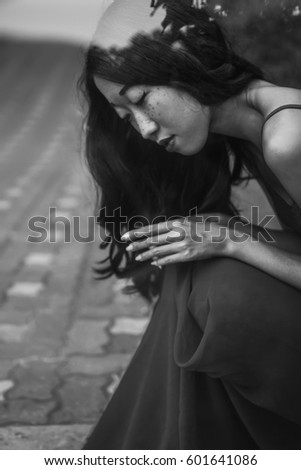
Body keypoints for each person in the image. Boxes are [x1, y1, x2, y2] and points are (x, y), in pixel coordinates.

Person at [80, 0, 301, 449]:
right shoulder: (257, 126)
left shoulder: (288, 138)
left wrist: (235, 241)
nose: (141, 128)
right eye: (126, 117)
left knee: (214, 273)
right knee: (193, 252)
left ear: (182, 62)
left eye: (141, 100)